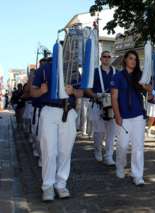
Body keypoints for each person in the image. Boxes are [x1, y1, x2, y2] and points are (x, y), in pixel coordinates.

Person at [31, 59, 83, 201]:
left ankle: (61, 184)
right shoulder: (44, 69)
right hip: (49, 110)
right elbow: (32, 91)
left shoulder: (72, 69)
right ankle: (48, 186)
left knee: (65, 151)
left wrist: (73, 91)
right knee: (49, 150)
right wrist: (41, 91)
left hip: (68, 111)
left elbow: (81, 92)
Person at [111, 50, 152, 186]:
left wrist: (144, 85)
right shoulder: (118, 76)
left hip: (138, 115)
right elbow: (114, 97)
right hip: (123, 116)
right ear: (125, 60)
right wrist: (117, 115)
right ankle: (120, 166)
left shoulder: (140, 75)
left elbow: (151, 90)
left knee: (138, 146)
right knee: (122, 145)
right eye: (130, 58)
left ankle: (137, 175)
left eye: (135, 59)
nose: (133, 61)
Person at [86, 51, 117, 165]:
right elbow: (87, 88)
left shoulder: (116, 72)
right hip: (98, 103)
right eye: (105, 56)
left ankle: (109, 156)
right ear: (101, 59)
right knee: (99, 131)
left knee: (111, 132)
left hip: (112, 104)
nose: (107, 58)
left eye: (109, 57)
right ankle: (98, 150)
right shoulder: (94, 72)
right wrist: (95, 95)